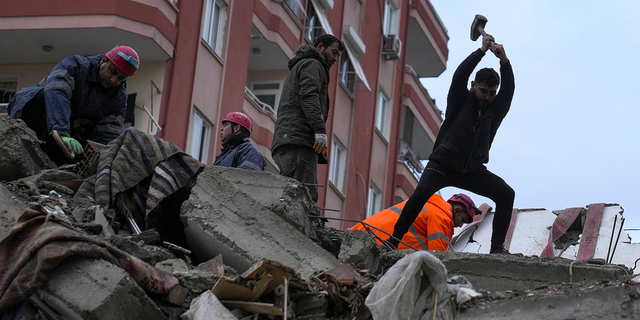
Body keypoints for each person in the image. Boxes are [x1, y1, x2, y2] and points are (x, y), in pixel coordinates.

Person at [388, 34, 515, 254]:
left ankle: (497, 249)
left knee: (506, 194)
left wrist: (504, 61)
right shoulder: (459, 100)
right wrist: (481, 51)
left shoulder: (496, 111)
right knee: (421, 193)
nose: (487, 97)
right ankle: (393, 239)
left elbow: (509, 90)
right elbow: (460, 75)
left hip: (472, 170)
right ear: (474, 86)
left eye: (492, 93)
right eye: (483, 91)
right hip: (442, 164)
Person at [8, 45, 139, 165]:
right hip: (37, 120)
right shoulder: (75, 66)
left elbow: (110, 131)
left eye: (121, 78)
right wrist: (61, 133)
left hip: (71, 137)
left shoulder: (119, 97)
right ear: (104, 60)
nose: (113, 80)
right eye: (113, 72)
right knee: (42, 96)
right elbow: (57, 94)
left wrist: (100, 159)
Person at [270, 34, 343, 202]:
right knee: (305, 196)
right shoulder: (313, 64)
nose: (335, 58)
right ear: (319, 47)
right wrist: (319, 130)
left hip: (289, 139)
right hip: (299, 140)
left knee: (290, 192)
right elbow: (309, 97)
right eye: (333, 52)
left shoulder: (303, 65)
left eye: (338, 55)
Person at [352, 193, 479, 251]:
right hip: (376, 245)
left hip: (358, 235)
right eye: (463, 219)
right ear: (456, 209)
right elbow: (438, 256)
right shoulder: (441, 217)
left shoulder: (426, 204)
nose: (460, 225)